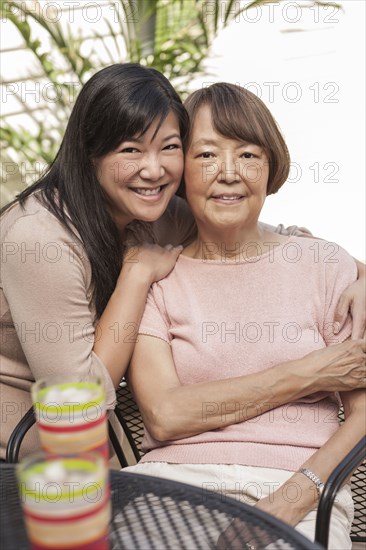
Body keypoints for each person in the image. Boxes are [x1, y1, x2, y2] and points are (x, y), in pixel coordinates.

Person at [0, 63, 364, 460]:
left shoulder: (156, 213)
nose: (154, 169)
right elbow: (75, 409)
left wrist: (359, 275)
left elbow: (273, 237)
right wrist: (136, 277)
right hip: (25, 451)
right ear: (90, 154)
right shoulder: (39, 239)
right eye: (131, 150)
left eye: (169, 147)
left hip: (111, 447)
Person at [126, 83, 366, 549]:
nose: (229, 173)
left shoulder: (325, 267)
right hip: (172, 483)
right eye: (207, 156)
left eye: (249, 155)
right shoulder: (154, 276)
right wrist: (309, 373)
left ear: (270, 167)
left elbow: (362, 414)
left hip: (299, 486)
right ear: (180, 173)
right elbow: (164, 415)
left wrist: (291, 500)